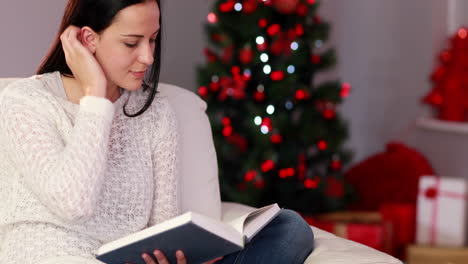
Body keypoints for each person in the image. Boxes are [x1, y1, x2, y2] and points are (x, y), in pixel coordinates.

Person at [0, 0, 314, 263]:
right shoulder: (26, 102)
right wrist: (95, 96)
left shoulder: (155, 112)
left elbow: (163, 227)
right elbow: (73, 204)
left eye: (152, 39)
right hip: (52, 257)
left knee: (289, 229)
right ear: (87, 39)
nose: (148, 57)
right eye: (131, 43)